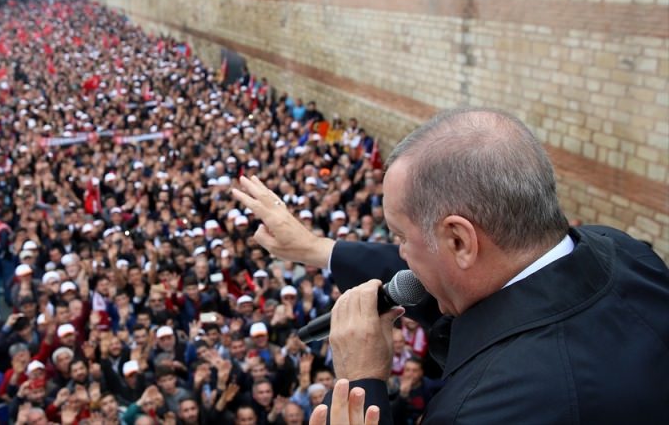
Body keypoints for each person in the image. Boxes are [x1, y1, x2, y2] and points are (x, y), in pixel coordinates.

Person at [234, 108, 669, 423]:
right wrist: (317, 249)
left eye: (401, 238)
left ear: (459, 240)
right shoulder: (622, 250)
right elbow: (468, 278)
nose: (400, 254)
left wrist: (362, 383)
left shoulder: (484, 408)